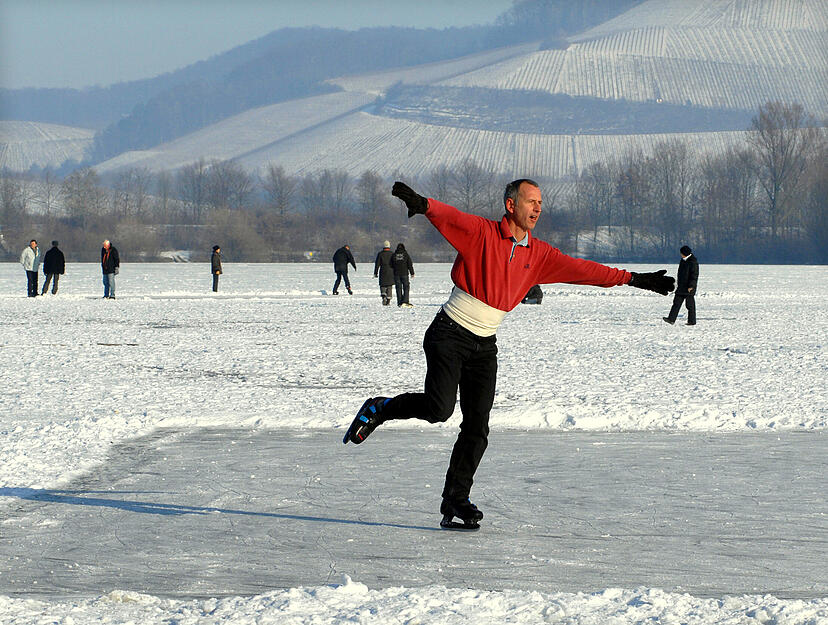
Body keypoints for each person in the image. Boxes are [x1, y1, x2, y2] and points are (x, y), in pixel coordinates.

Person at [343, 179, 674, 528]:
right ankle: (381, 407)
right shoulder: (483, 234)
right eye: (531, 201)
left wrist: (634, 279)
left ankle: (455, 499)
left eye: (541, 204)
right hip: (449, 333)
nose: (537, 209)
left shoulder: (540, 254)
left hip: (484, 345)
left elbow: (583, 270)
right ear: (511, 204)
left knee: (477, 427)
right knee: (439, 410)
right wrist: (425, 205)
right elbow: (452, 217)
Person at [663, 245, 699, 326]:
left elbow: (694, 275)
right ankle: (671, 319)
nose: (680, 254)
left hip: (689, 287)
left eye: (681, 253)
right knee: (676, 302)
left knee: (690, 305)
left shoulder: (693, 262)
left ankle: (692, 321)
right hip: (681, 286)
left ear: (685, 253)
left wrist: (691, 286)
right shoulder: (683, 260)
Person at [391, 242, 415, 307]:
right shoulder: (406, 254)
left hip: (396, 274)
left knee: (398, 288)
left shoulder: (394, 255)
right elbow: (409, 264)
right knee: (406, 287)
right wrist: (412, 273)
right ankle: (405, 301)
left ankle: (399, 302)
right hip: (404, 273)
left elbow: (391, 264)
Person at [374, 240, 395, 305]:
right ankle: (388, 299)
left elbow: (377, 264)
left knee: (382, 284)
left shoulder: (380, 254)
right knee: (389, 285)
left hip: (383, 270)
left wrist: (375, 272)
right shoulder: (392, 254)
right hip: (391, 271)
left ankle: (383, 295)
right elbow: (395, 263)